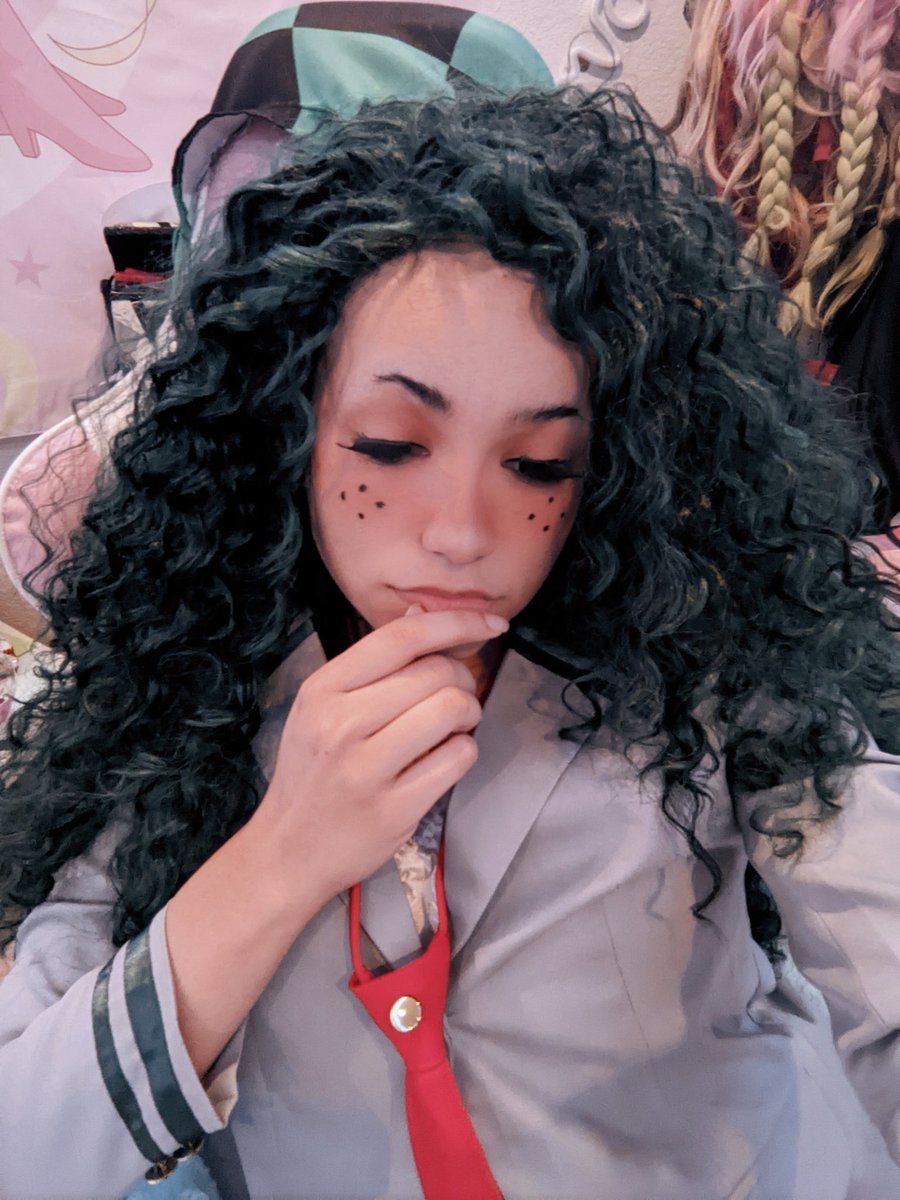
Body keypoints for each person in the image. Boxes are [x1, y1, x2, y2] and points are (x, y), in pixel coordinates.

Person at [3, 24, 900, 1200]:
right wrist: (277, 858)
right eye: (390, 445)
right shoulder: (182, 680)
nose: (464, 534)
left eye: (539, 464)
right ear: (290, 425)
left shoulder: (705, 655)